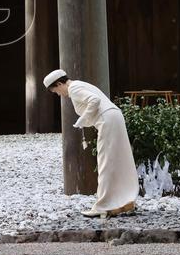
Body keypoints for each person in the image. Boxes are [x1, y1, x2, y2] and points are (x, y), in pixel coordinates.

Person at [44, 69, 138, 218]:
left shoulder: (73, 88)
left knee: (105, 163)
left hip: (107, 119)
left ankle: (103, 205)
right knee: (119, 160)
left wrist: (81, 120)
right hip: (114, 116)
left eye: (56, 90)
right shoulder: (79, 84)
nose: (58, 94)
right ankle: (126, 201)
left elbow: (94, 100)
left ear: (60, 83)